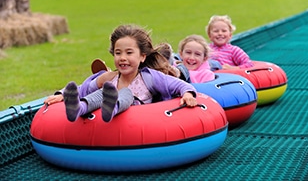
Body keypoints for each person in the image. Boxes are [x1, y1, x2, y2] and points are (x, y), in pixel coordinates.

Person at [44, 24, 197, 123]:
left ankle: (114, 107)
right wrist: (62, 95)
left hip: (139, 123)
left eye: (129, 53)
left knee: (125, 93)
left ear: (142, 56)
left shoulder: (149, 77)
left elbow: (179, 85)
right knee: (104, 91)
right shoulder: (108, 78)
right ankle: (80, 108)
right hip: (108, 121)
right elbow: (82, 88)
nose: (122, 58)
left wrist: (188, 95)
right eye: (118, 53)